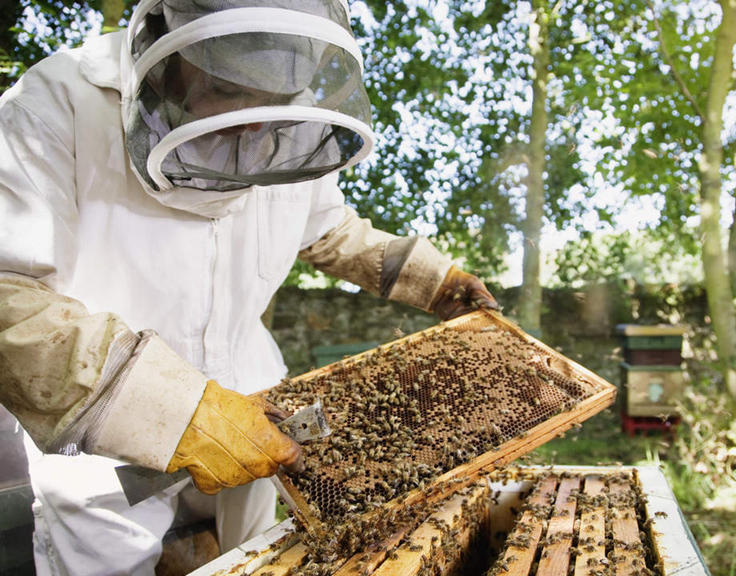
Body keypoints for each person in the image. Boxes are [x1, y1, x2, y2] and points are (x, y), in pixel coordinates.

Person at [0, 0, 498, 574]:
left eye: (276, 98)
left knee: (269, 562)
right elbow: (8, 290)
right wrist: (170, 407)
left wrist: (432, 279)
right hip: (106, 437)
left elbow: (325, 226)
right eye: (229, 87)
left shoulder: (288, 123)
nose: (258, 121)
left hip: (259, 414)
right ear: (172, 52)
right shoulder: (57, 101)